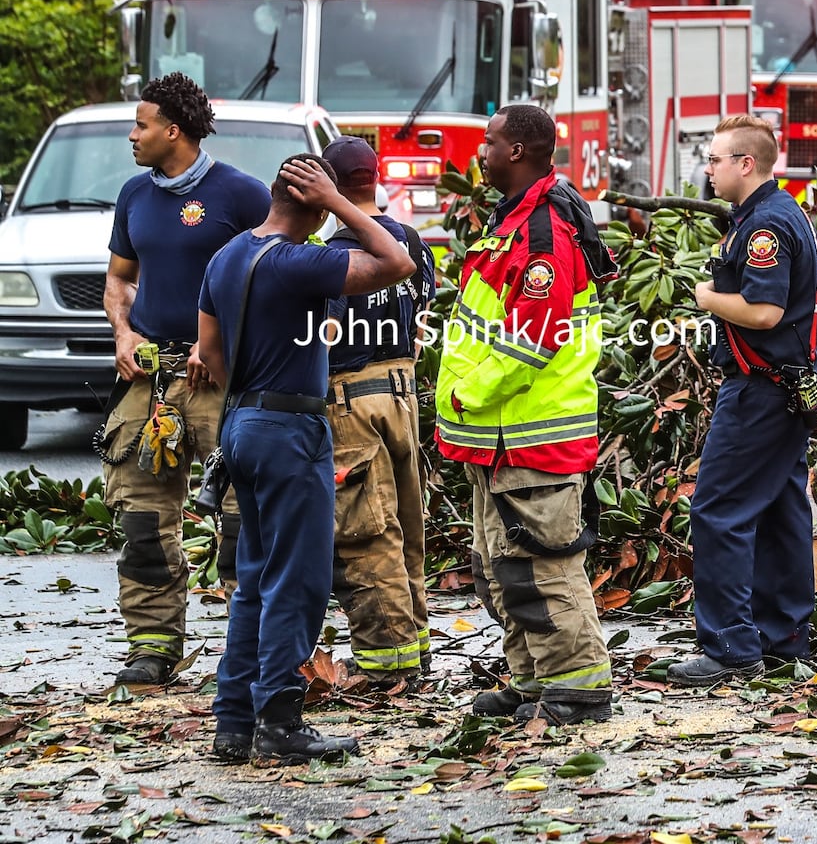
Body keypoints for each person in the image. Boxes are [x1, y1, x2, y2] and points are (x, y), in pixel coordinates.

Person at [196, 154, 415, 763]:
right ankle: (279, 722)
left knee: (255, 580)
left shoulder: (228, 255)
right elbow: (398, 261)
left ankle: (233, 723)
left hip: (240, 424)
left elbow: (207, 353)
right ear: (316, 208)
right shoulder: (299, 261)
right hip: (292, 429)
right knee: (299, 580)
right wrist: (343, 202)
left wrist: (250, 402)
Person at [436, 103, 619, 725]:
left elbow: (534, 339)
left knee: (544, 567)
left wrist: (468, 395)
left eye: (488, 143)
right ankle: (533, 680)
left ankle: (578, 686)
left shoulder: (542, 231)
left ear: (516, 151)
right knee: (505, 569)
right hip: (500, 437)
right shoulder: (514, 220)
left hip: (528, 432)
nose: (479, 154)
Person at [102, 72, 270, 686]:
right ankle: (152, 650)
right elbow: (119, 279)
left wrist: (219, 339)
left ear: (173, 130)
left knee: (242, 521)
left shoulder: (242, 196)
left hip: (222, 382)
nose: (132, 135)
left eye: (141, 124)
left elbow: (275, 276)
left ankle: (251, 654)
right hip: (151, 382)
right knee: (142, 521)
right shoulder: (133, 195)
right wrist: (123, 332)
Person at [669, 114, 817, 687]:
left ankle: (730, 646)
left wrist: (707, 296)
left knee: (718, 509)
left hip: (761, 389)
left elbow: (765, 312)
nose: (707, 169)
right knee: (782, 509)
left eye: (714, 160)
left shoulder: (764, 228)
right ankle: (784, 636)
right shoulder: (777, 215)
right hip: (787, 387)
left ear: (746, 164)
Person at [319, 137, 437, 689]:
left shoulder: (335, 255)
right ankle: (416, 645)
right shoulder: (411, 240)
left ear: (331, 184)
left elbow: (327, 334)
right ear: (375, 176)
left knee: (368, 532)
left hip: (350, 403)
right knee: (409, 523)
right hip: (403, 395)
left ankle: (386, 665)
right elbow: (420, 318)